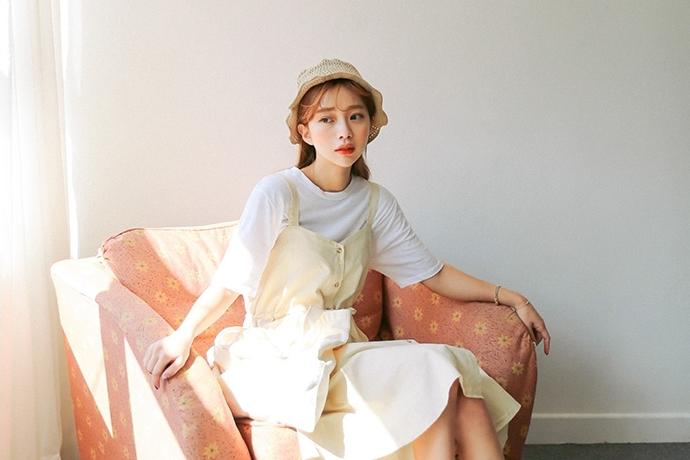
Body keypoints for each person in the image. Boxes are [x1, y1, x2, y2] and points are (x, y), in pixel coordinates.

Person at [143, 58, 551, 460]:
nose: (344, 131)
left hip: (341, 352)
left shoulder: (374, 203)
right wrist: (183, 336)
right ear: (304, 132)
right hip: (277, 358)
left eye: (355, 117)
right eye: (327, 119)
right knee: (441, 375)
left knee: (462, 388)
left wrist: (512, 297)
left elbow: (433, 273)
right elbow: (232, 279)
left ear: (369, 126)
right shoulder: (278, 193)